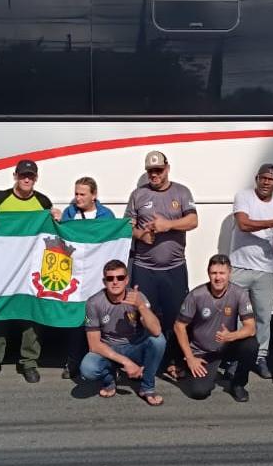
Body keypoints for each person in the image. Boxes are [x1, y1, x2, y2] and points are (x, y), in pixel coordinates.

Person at [0, 158, 60, 383]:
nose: (27, 179)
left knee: (32, 314)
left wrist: (57, 221)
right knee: (0, 310)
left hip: (33, 269)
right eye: (23, 175)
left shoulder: (43, 202)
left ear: (36, 178)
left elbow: (52, 237)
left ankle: (29, 362)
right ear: (15, 176)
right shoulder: (1, 199)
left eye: (31, 176)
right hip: (5, 267)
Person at [124, 150, 198, 379]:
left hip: (174, 268)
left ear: (167, 167)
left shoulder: (181, 191)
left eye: (158, 170)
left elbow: (193, 220)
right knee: (143, 315)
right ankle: (147, 362)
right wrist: (139, 235)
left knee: (175, 316)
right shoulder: (138, 194)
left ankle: (174, 361)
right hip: (144, 268)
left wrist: (168, 224)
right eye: (150, 171)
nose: (154, 175)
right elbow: (126, 225)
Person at [80, 259, 166, 406]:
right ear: (104, 281)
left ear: (126, 280)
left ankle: (147, 387)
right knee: (88, 369)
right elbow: (94, 345)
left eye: (120, 278)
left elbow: (156, 330)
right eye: (110, 278)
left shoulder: (137, 297)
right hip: (109, 348)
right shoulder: (94, 302)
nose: (115, 282)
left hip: (135, 346)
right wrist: (127, 362)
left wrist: (141, 306)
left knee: (159, 340)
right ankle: (109, 380)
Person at [229, 163, 273, 380]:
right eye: (263, 178)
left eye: (271, 180)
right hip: (239, 266)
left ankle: (261, 357)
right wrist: (272, 222)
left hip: (266, 270)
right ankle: (235, 357)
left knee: (264, 316)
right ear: (257, 178)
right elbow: (243, 224)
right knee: (236, 315)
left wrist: (271, 260)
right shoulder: (243, 196)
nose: (266, 182)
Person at [175, 255, 258, 403]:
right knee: (199, 392)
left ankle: (238, 384)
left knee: (251, 345)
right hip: (203, 351)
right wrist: (190, 358)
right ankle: (195, 369)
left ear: (229, 273)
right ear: (208, 273)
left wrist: (231, 336)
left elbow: (250, 328)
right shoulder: (196, 295)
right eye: (214, 273)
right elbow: (179, 326)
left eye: (222, 273)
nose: (218, 278)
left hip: (227, 346)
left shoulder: (239, 293)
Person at [60, 176, 115, 379]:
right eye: (76, 193)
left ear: (94, 195)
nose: (77, 198)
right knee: (76, 321)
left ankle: (103, 362)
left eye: (82, 194)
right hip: (74, 277)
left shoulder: (106, 215)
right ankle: (73, 361)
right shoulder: (69, 213)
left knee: (100, 321)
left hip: (97, 277)